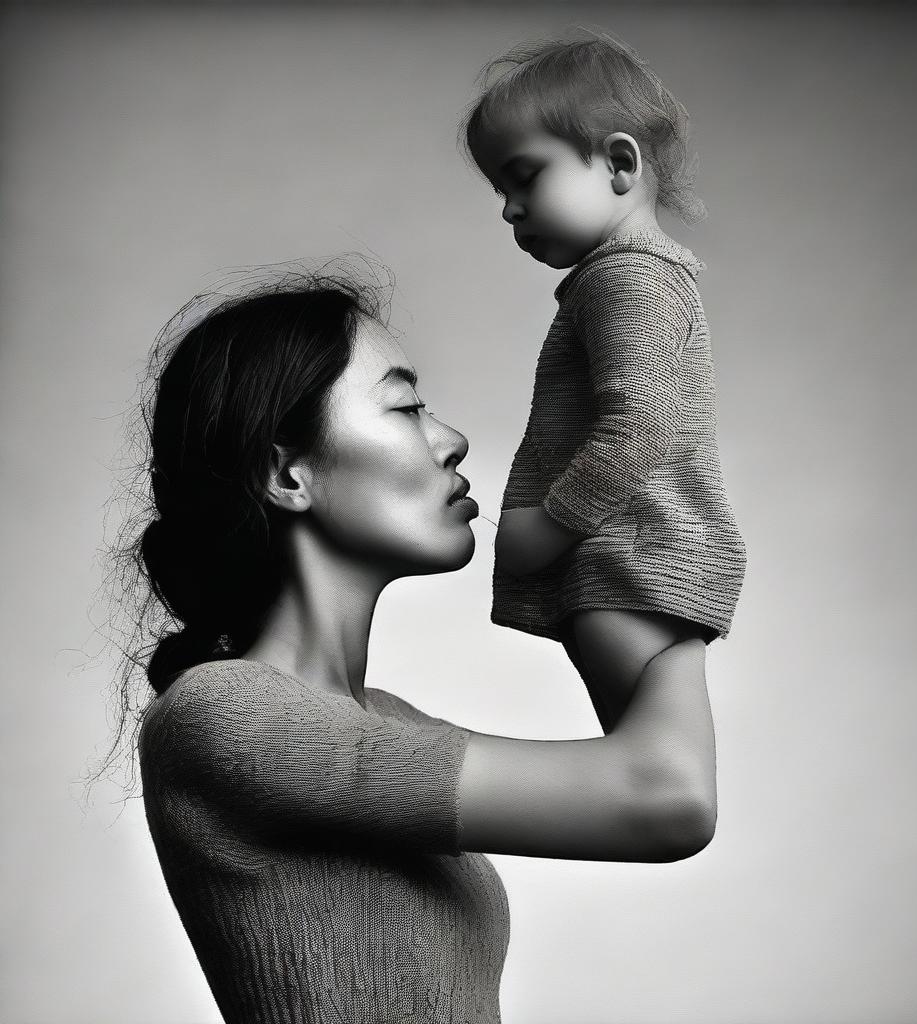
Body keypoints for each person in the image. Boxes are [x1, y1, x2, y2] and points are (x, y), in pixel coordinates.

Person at [131, 272, 717, 1024]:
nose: (450, 438)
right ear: (286, 474)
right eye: (405, 407)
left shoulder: (389, 721)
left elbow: (644, 774)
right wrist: (674, 574)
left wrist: (607, 576)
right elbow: (665, 799)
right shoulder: (222, 716)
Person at [461, 34, 747, 733]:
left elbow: (642, 425)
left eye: (524, 177)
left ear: (620, 162)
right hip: (628, 569)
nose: (509, 209)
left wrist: (549, 529)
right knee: (644, 766)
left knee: (652, 782)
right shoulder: (625, 275)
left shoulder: (629, 277)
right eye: (501, 189)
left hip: (630, 570)